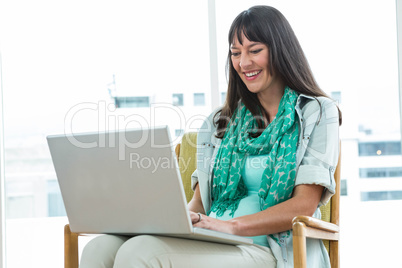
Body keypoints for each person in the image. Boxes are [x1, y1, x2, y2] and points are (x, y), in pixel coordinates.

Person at [80, 5, 341, 268]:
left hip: (270, 249)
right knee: (99, 248)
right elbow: (200, 203)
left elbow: (304, 205)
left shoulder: (316, 112)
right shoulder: (219, 122)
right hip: (215, 239)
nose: (244, 63)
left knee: (141, 251)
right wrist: (163, 220)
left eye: (255, 50)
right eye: (236, 53)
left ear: (280, 50)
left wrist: (230, 226)